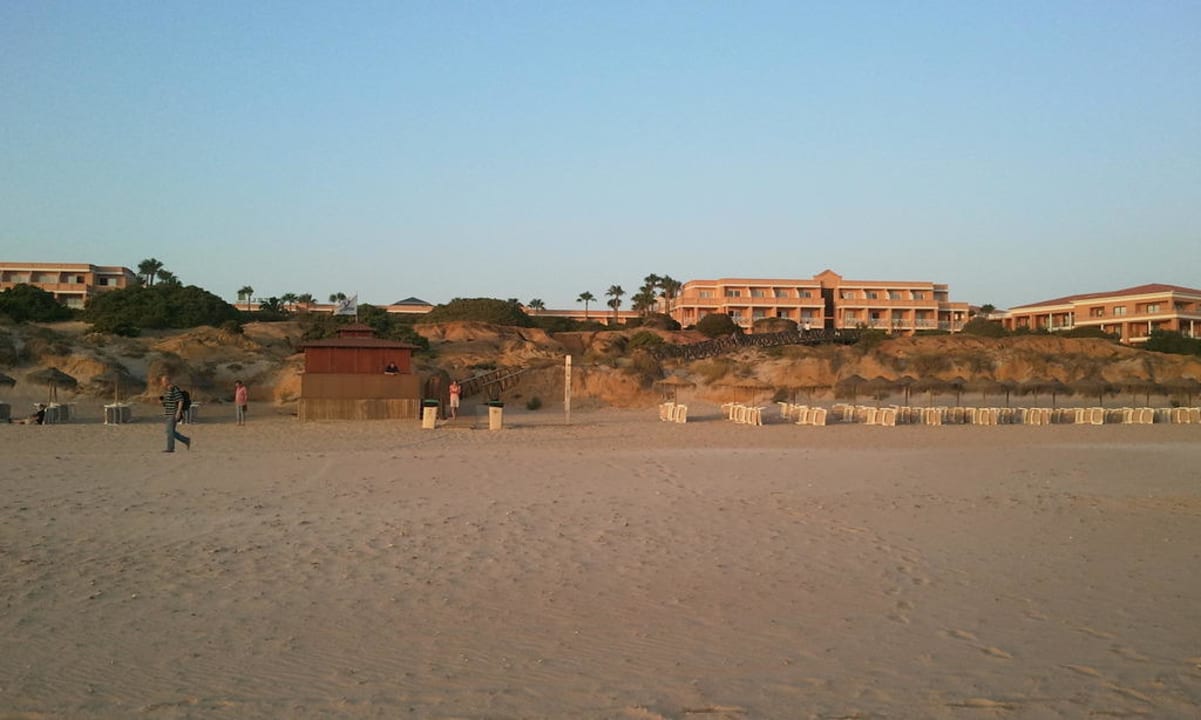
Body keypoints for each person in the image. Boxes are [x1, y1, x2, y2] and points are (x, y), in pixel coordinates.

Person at [159, 375, 191, 452]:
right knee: (170, 431)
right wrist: (162, 401)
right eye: (162, 381)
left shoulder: (174, 389)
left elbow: (180, 400)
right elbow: (168, 402)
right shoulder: (167, 390)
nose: (162, 383)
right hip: (168, 413)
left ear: (168, 381)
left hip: (173, 413)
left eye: (164, 381)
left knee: (169, 431)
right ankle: (186, 440)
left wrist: (178, 412)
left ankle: (170, 448)